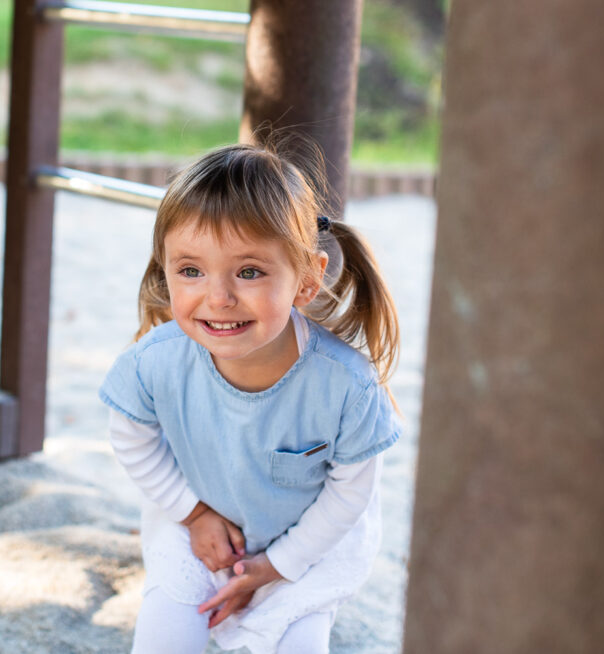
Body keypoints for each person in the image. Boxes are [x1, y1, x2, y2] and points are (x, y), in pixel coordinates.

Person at [99, 141, 401, 654]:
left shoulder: (345, 385)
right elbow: (130, 438)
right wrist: (192, 513)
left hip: (307, 541)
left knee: (299, 641)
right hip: (200, 521)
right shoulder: (155, 362)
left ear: (306, 281)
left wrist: (278, 565)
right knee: (165, 637)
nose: (218, 297)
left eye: (249, 272)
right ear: (165, 268)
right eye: (191, 271)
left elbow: (352, 493)